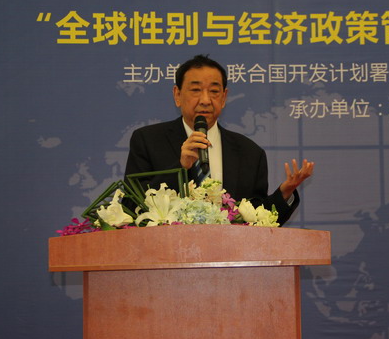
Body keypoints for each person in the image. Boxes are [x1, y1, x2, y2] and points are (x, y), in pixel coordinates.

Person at [124, 55, 314, 224]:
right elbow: (131, 204)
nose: (206, 100)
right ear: (177, 95)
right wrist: (181, 168)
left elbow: (257, 219)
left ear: (224, 98)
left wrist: (284, 193)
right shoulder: (148, 141)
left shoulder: (250, 153)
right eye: (196, 90)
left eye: (214, 91)